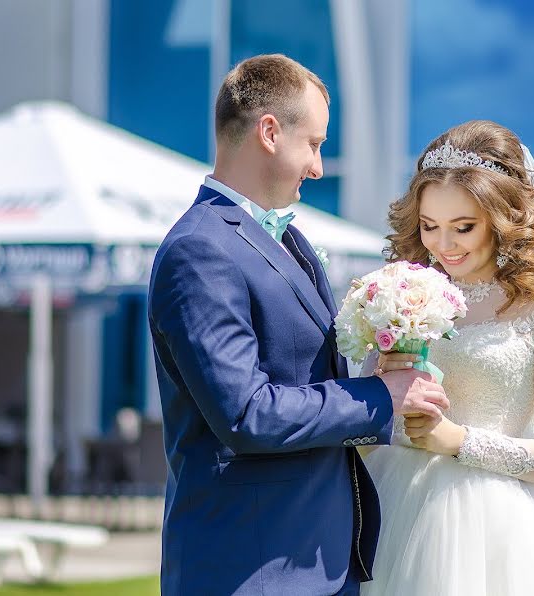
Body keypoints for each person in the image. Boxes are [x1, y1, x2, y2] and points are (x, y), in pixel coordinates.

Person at [147, 54, 450, 595]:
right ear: (269, 132)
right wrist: (379, 395)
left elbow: (302, 379)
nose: (319, 167)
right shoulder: (199, 250)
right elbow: (247, 414)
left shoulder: (286, 238)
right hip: (251, 566)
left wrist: (376, 368)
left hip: (314, 559)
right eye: (313, 144)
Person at [361, 120, 534, 595]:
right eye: (429, 226)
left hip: (500, 530)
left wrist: (459, 441)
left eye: (463, 227)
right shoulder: (405, 292)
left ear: (504, 217)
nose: (443, 245)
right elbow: (370, 423)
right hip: (393, 502)